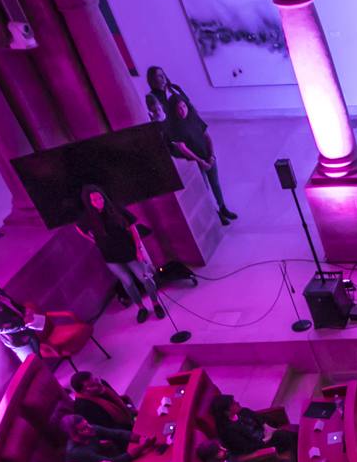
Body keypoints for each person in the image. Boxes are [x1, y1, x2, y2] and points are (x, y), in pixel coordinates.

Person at [75, 183, 165, 323]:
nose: (99, 202)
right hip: (111, 257)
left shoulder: (115, 209)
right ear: (89, 202)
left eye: (100, 198)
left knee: (145, 278)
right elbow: (79, 229)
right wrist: (93, 241)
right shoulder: (88, 217)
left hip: (129, 251)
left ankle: (156, 303)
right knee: (127, 283)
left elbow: (133, 228)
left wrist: (139, 249)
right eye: (95, 200)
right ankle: (141, 308)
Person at [164, 95, 236, 224]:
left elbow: (207, 136)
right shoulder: (174, 126)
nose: (182, 110)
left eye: (184, 106)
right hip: (195, 162)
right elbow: (182, 148)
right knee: (205, 189)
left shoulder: (193, 117)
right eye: (178, 108)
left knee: (216, 184)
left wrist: (212, 155)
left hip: (207, 156)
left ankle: (223, 207)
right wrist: (199, 161)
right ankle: (215, 214)